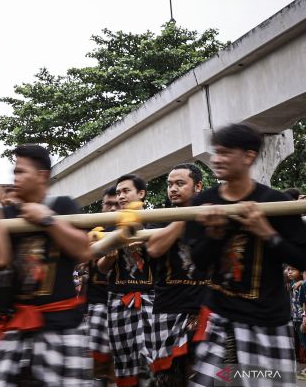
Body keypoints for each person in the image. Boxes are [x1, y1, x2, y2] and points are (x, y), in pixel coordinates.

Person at [188, 123, 306, 386]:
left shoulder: (275, 203)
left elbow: (303, 258)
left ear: (249, 156)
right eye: (215, 152)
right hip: (221, 319)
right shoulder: (203, 203)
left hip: (266, 322)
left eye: (225, 152)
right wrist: (214, 235)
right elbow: (197, 263)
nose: (216, 160)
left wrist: (267, 233)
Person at [0, 144, 92, 385]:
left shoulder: (62, 205)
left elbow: (83, 250)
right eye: (15, 172)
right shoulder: (8, 213)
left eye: (21, 172)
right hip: (19, 322)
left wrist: (46, 219)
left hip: (61, 324)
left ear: (42, 176)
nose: (15, 178)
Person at [145, 164, 208, 386]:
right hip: (168, 309)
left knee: (208, 377)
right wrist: (186, 216)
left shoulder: (212, 215)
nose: (173, 189)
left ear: (198, 186)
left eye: (180, 183)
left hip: (206, 310)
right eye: (170, 184)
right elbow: (154, 249)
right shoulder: (160, 218)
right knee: (167, 378)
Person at [97, 174, 155, 387]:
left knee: (152, 357)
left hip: (151, 297)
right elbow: (101, 268)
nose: (121, 196)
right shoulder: (110, 225)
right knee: (123, 358)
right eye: (119, 192)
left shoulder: (157, 220)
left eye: (126, 191)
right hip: (118, 299)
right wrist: (108, 258)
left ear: (141, 194)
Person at [88, 186, 119, 386]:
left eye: (118, 204)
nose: (113, 209)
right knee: (98, 369)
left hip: (127, 307)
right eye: (109, 204)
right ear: (102, 207)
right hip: (98, 305)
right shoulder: (93, 232)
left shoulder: (139, 230)